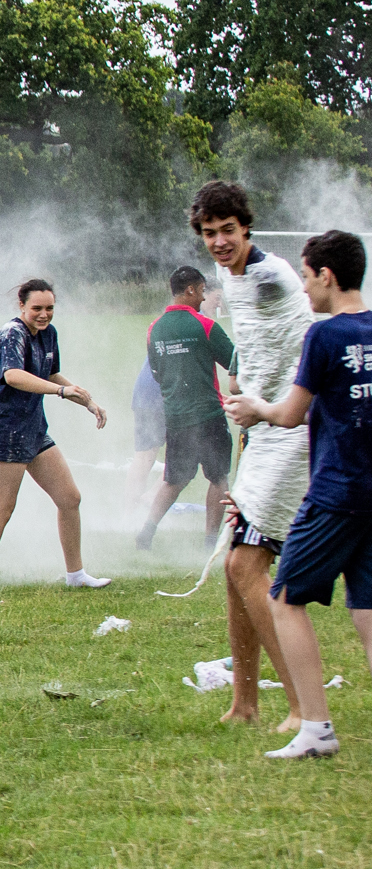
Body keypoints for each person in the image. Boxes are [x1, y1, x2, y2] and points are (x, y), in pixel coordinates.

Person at [227, 229, 372, 760]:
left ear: (326, 276)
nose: (305, 290)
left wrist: (252, 407)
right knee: (368, 609)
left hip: (335, 492)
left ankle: (314, 727)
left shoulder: (324, 336)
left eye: (309, 278)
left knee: (285, 598)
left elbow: (289, 415)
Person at [196, 181, 310, 727]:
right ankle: (245, 704)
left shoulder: (270, 277)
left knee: (245, 562)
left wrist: (262, 406)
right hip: (262, 428)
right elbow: (255, 347)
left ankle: (302, 707)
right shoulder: (228, 273)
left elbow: (303, 345)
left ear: (247, 229)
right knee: (235, 566)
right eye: (210, 233)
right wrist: (246, 405)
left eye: (228, 231)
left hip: (295, 427)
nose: (219, 242)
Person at [0, 279, 110, 592]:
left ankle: (76, 575)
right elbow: (13, 375)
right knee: (2, 508)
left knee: (70, 498)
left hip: (33, 428)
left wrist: (87, 401)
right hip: (5, 429)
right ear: (21, 306)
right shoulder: (11, 333)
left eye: (49, 308)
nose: (44, 315)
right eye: (37, 308)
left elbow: (50, 372)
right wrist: (60, 390)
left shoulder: (48, 334)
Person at [135, 266, 240, 551]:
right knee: (218, 477)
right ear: (191, 290)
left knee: (173, 479)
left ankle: (146, 533)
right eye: (203, 291)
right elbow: (234, 361)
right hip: (208, 414)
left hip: (176, 418)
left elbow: (157, 373)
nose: (205, 297)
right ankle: (209, 542)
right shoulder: (205, 325)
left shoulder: (154, 329)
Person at [125, 358, 167, 511]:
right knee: (184, 454)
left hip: (145, 390)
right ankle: (152, 496)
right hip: (168, 392)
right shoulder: (202, 333)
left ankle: (128, 517)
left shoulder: (156, 332)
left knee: (143, 456)